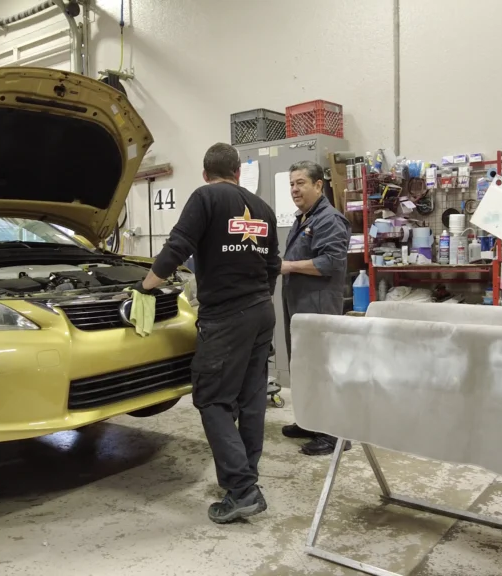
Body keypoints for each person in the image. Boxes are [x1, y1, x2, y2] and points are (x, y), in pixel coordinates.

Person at [135, 142, 280, 524]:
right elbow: (273, 265)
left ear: (205, 173)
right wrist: (259, 297)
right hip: (261, 311)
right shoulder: (263, 208)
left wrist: (145, 287)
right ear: (237, 173)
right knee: (251, 398)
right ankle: (246, 476)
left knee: (212, 397)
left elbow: (177, 248)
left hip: (227, 317)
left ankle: (242, 490)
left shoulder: (205, 197)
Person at [279, 160, 353, 456]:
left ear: (318, 185)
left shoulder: (329, 219)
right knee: (305, 367)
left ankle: (334, 436)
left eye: (301, 183)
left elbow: (331, 262)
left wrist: (289, 266)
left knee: (323, 369)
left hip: (318, 307)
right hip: (300, 306)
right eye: (292, 184)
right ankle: (311, 422)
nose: (294, 189)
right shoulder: (305, 218)